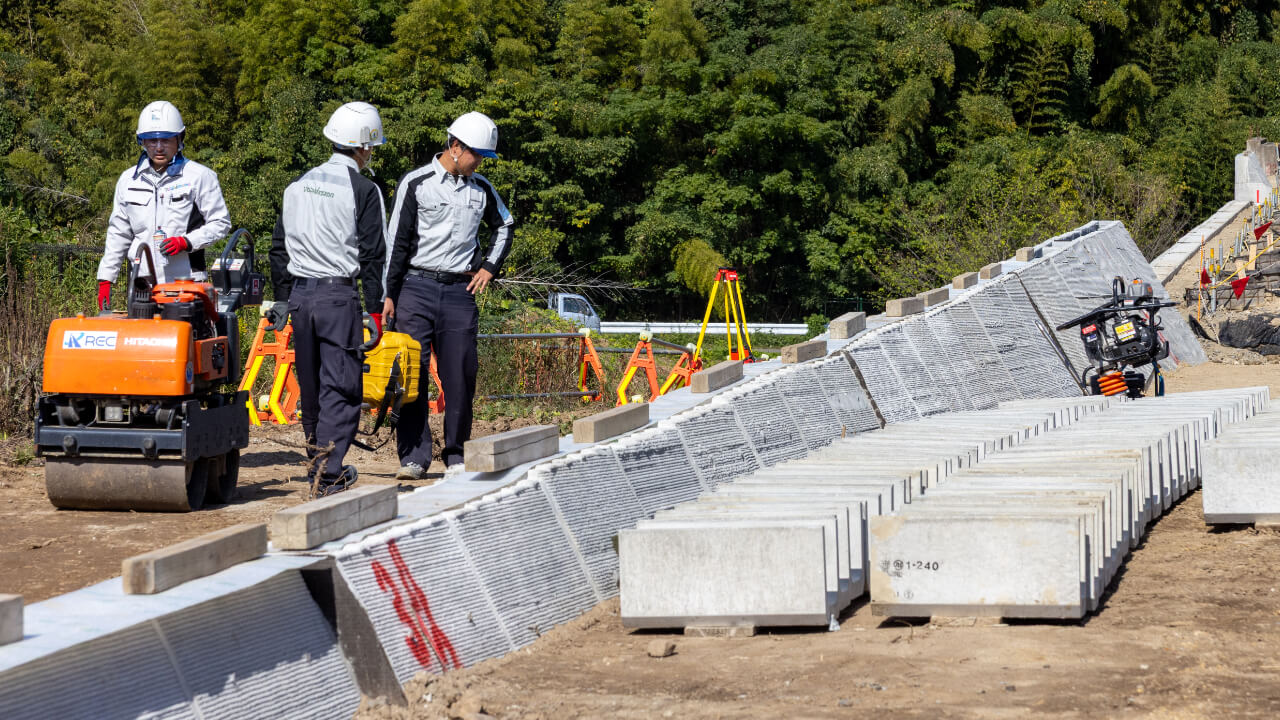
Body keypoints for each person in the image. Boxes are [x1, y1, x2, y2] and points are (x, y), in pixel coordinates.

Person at [383, 111, 514, 477]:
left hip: (460, 291)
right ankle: (413, 457)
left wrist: (489, 266)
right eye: (479, 155)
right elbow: (396, 244)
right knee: (413, 373)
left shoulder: (482, 189)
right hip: (416, 288)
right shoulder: (417, 182)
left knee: (460, 373)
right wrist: (388, 294)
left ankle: (455, 454)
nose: (481, 163)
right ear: (456, 147)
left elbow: (505, 226)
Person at [268, 101, 388, 494]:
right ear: (364, 147)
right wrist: (375, 307)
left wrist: (282, 300)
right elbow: (373, 254)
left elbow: (279, 248)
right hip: (338, 298)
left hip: (301, 297)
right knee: (343, 385)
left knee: (314, 385)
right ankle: (329, 473)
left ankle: (318, 465)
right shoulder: (364, 190)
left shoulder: (297, 185)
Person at [97, 100, 231, 309]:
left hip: (186, 283)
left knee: (185, 340)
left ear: (180, 139)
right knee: (141, 341)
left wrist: (186, 242)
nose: (159, 147)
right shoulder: (128, 180)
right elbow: (119, 233)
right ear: (142, 141)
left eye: (166, 140)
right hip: (142, 285)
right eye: (151, 141)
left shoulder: (200, 176)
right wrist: (106, 278)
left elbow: (221, 223)